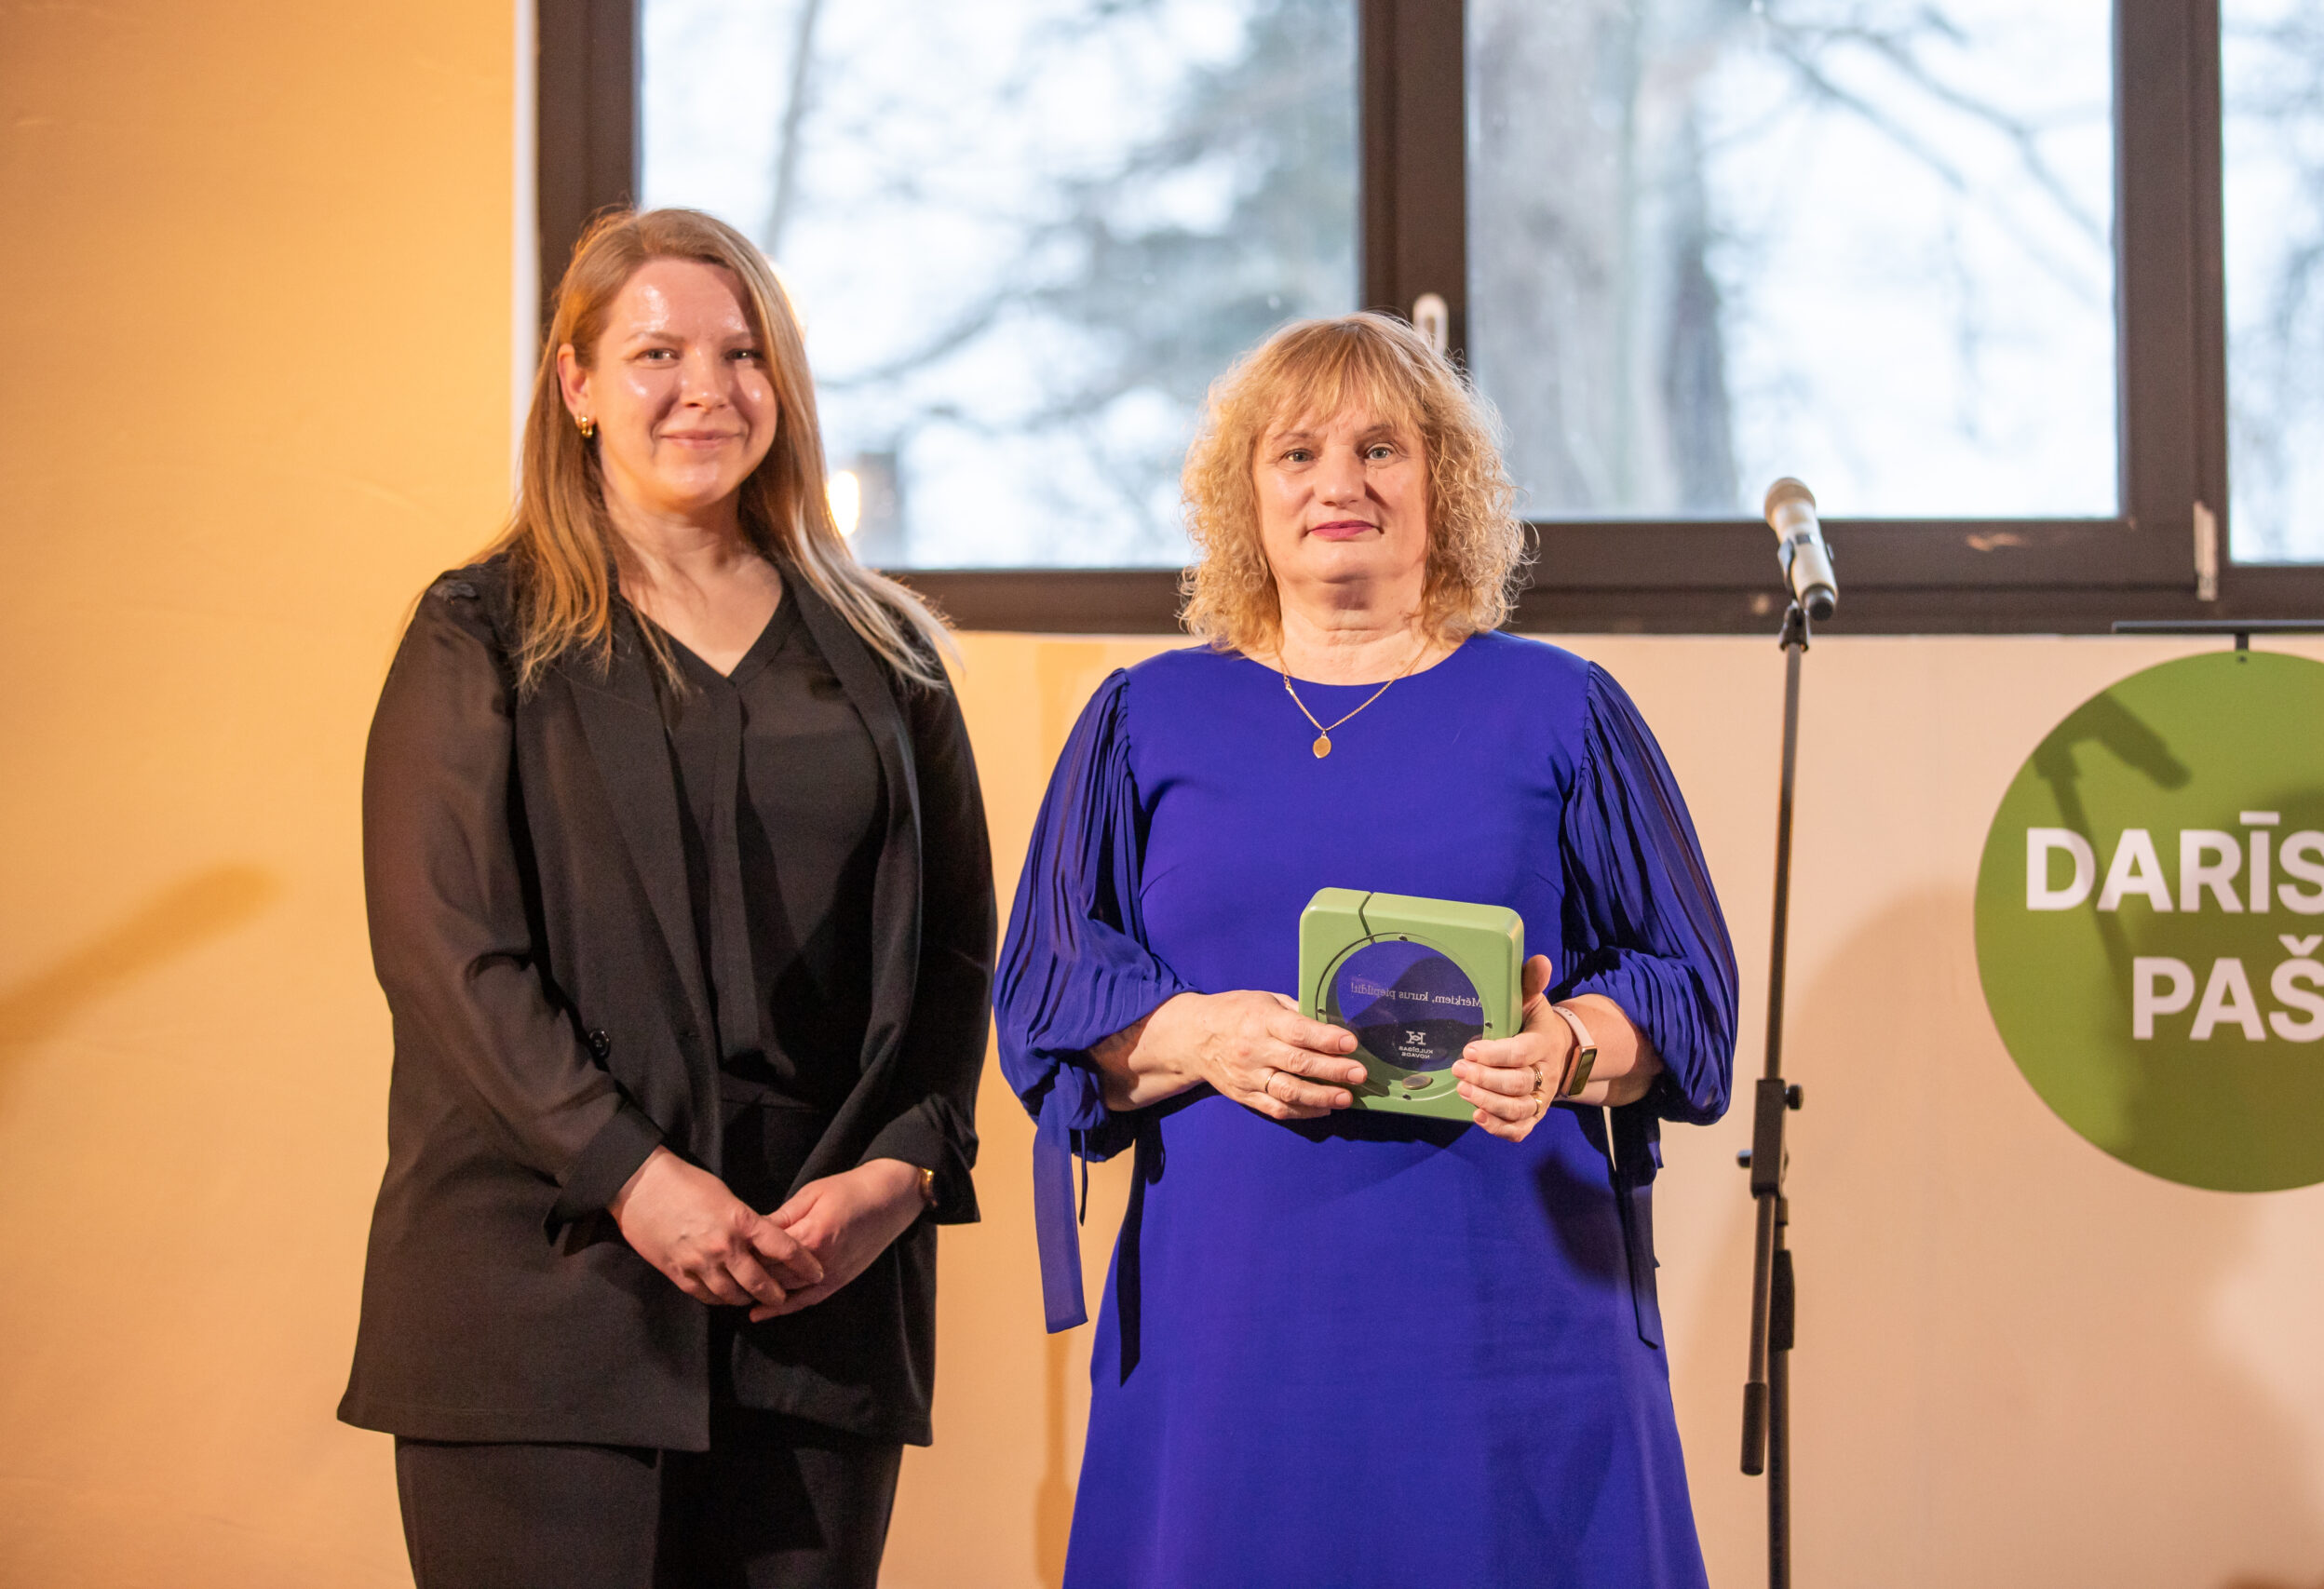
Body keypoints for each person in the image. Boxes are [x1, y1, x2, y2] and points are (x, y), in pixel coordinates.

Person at [995, 313, 1737, 1586]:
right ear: (1247, 495)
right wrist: (1204, 1035)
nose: (1338, 481)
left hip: (1510, 1323)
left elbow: (1689, 994)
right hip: (1230, 1328)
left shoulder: (1562, 709)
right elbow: (1047, 1000)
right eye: (1297, 453)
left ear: (1445, 486)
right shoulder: (1142, 719)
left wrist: (1567, 1044)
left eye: (1380, 448)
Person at [338, 208, 995, 1589]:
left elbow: (953, 956)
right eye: (657, 354)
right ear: (577, 385)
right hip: (544, 1304)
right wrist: (634, 1176)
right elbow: (450, 954)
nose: (708, 389)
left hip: (816, 1303)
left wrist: (900, 1176)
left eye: (743, 354)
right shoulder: (480, 631)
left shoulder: (890, 655)